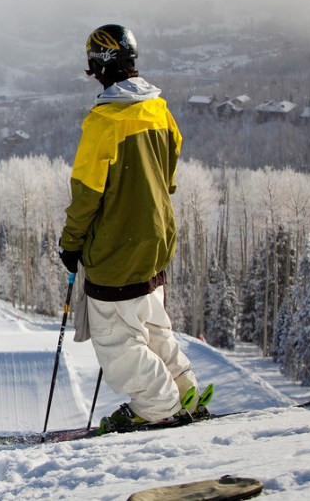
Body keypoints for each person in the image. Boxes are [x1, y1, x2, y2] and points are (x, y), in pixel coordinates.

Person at [58, 24, 202, 433]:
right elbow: (170, 169)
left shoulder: (105, 121)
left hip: (117, 251)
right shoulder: (158, 108)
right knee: (152, 323)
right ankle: (185, 390)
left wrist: (70, 245)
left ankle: (157, 407)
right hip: (156, 239)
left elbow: (86, 195)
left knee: (117, 340)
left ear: (99, 66)